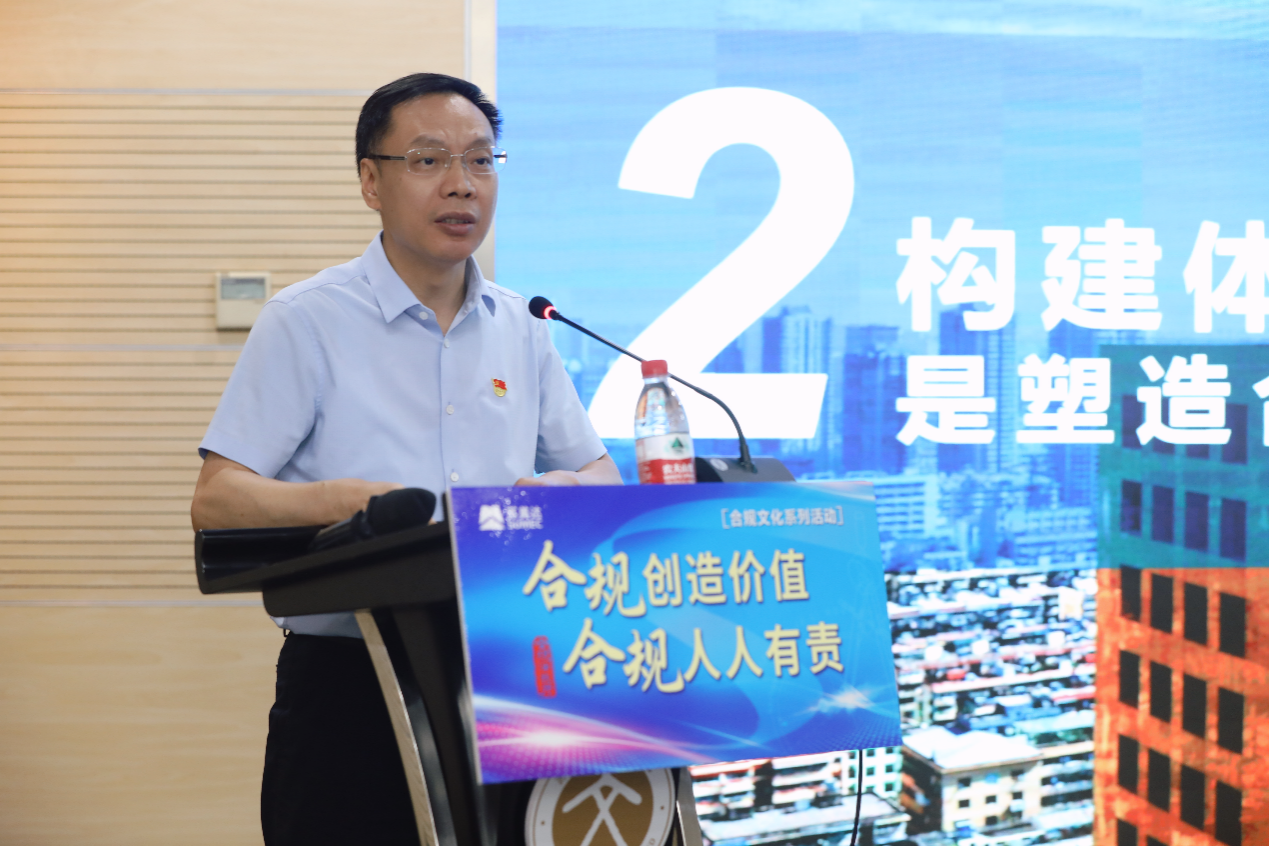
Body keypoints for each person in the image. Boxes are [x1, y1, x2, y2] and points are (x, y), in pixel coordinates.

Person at [190, 72, 621, 846]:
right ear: (370, 182)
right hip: (351, 682)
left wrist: (558, 486)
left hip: (509, 672)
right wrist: (350, 503)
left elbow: (599, 475)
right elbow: (219, 499)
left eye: (480, 160)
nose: (461, 184)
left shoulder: (523, 326)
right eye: (428, 160)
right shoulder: (307, 320)